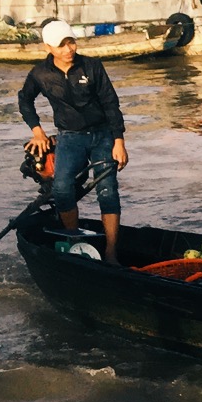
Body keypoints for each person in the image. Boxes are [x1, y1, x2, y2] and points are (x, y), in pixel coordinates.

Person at [19, 20, 128, 263]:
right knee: (61, 188)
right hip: (69, 136)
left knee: (107, 190)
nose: (69, 49)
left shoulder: (92, 66)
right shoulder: (40, 74)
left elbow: (111, 104)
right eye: (62, 45)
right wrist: (38, 132)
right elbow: (24, 100)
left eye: (71, 42)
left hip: (102, 135)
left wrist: (118, 141)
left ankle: (110, 250)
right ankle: (74, 242)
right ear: (48, 47)